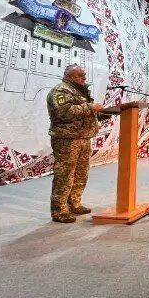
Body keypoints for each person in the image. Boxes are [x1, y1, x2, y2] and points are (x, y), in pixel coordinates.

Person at [46, 64, 104, 223]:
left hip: (83, 138)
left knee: (80, 173)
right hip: (67, 140)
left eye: (84, 76)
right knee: (64, 174)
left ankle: (74, 203)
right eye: (81, 76)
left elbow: (83, 113)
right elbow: (64, 112)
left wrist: (101, 113)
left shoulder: (79, 91)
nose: (84, 79)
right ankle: (59, 210)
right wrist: (91, 107)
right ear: (69, 76)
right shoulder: (60, 91)